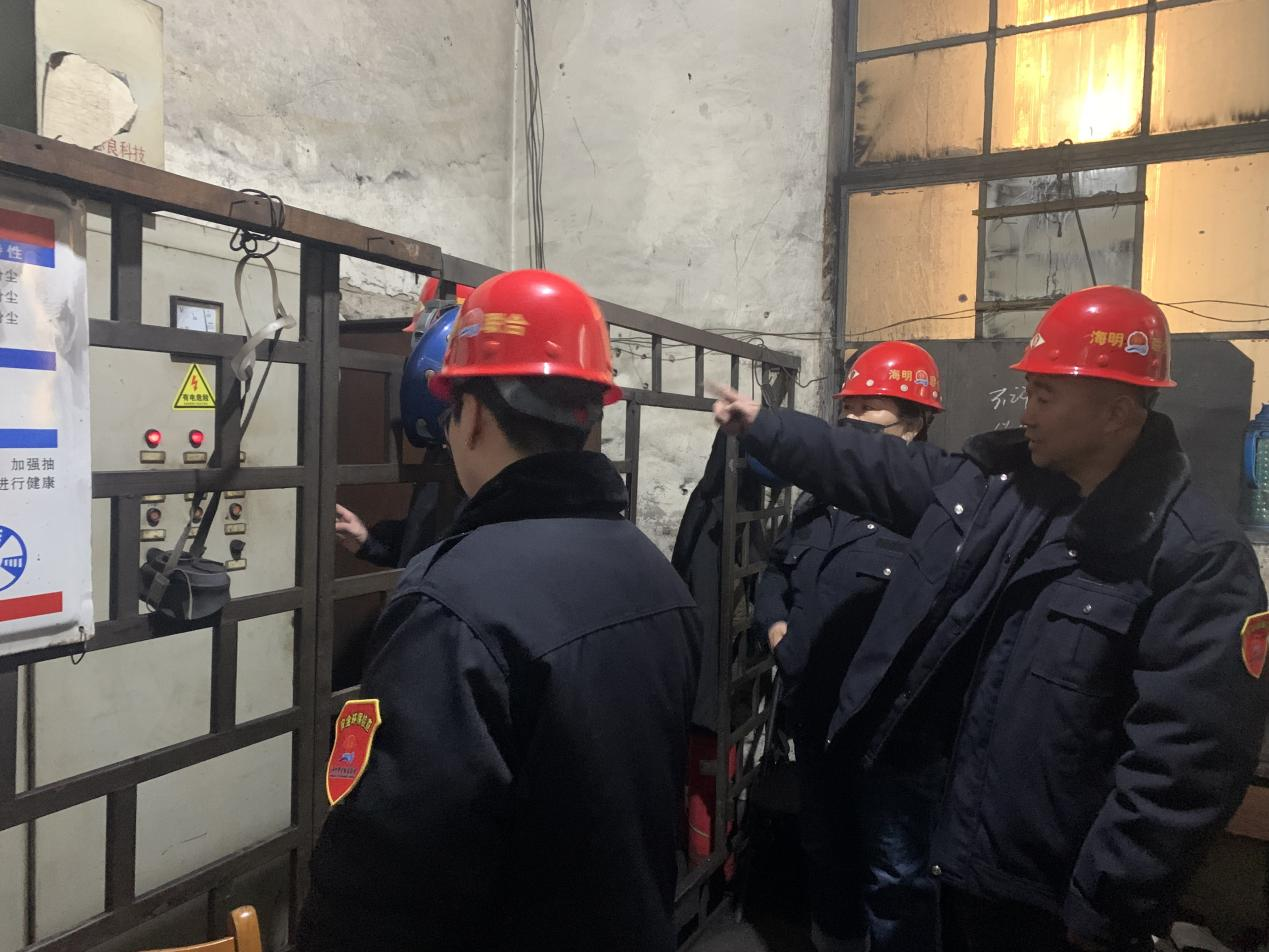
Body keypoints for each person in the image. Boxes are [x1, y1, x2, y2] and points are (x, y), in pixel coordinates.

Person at [715, 286, 1269, 951]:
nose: (1026, 413)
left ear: (1116, 411)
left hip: (1038, 876)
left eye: (1045, 396)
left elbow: (1186, 762)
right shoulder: (1002, 493)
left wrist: (1107, 904)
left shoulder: (1193, 556)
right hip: (944, 815)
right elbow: (878, 465)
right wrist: (767, 425)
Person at [298, 269, 703, 952]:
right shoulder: (655, 576)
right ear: (590, 414)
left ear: (474, 415)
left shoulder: (452, 602)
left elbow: (387, 876)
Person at [750, 342, 944, 952]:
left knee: (896, 871)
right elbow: (776, 573)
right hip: (814, 716)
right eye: (850, 408)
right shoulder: (821, 503)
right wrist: (777, 629)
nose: (854, 420)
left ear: (915, 423)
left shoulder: (933, 513)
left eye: (870, 410)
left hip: (888, 735)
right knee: (825, 848)